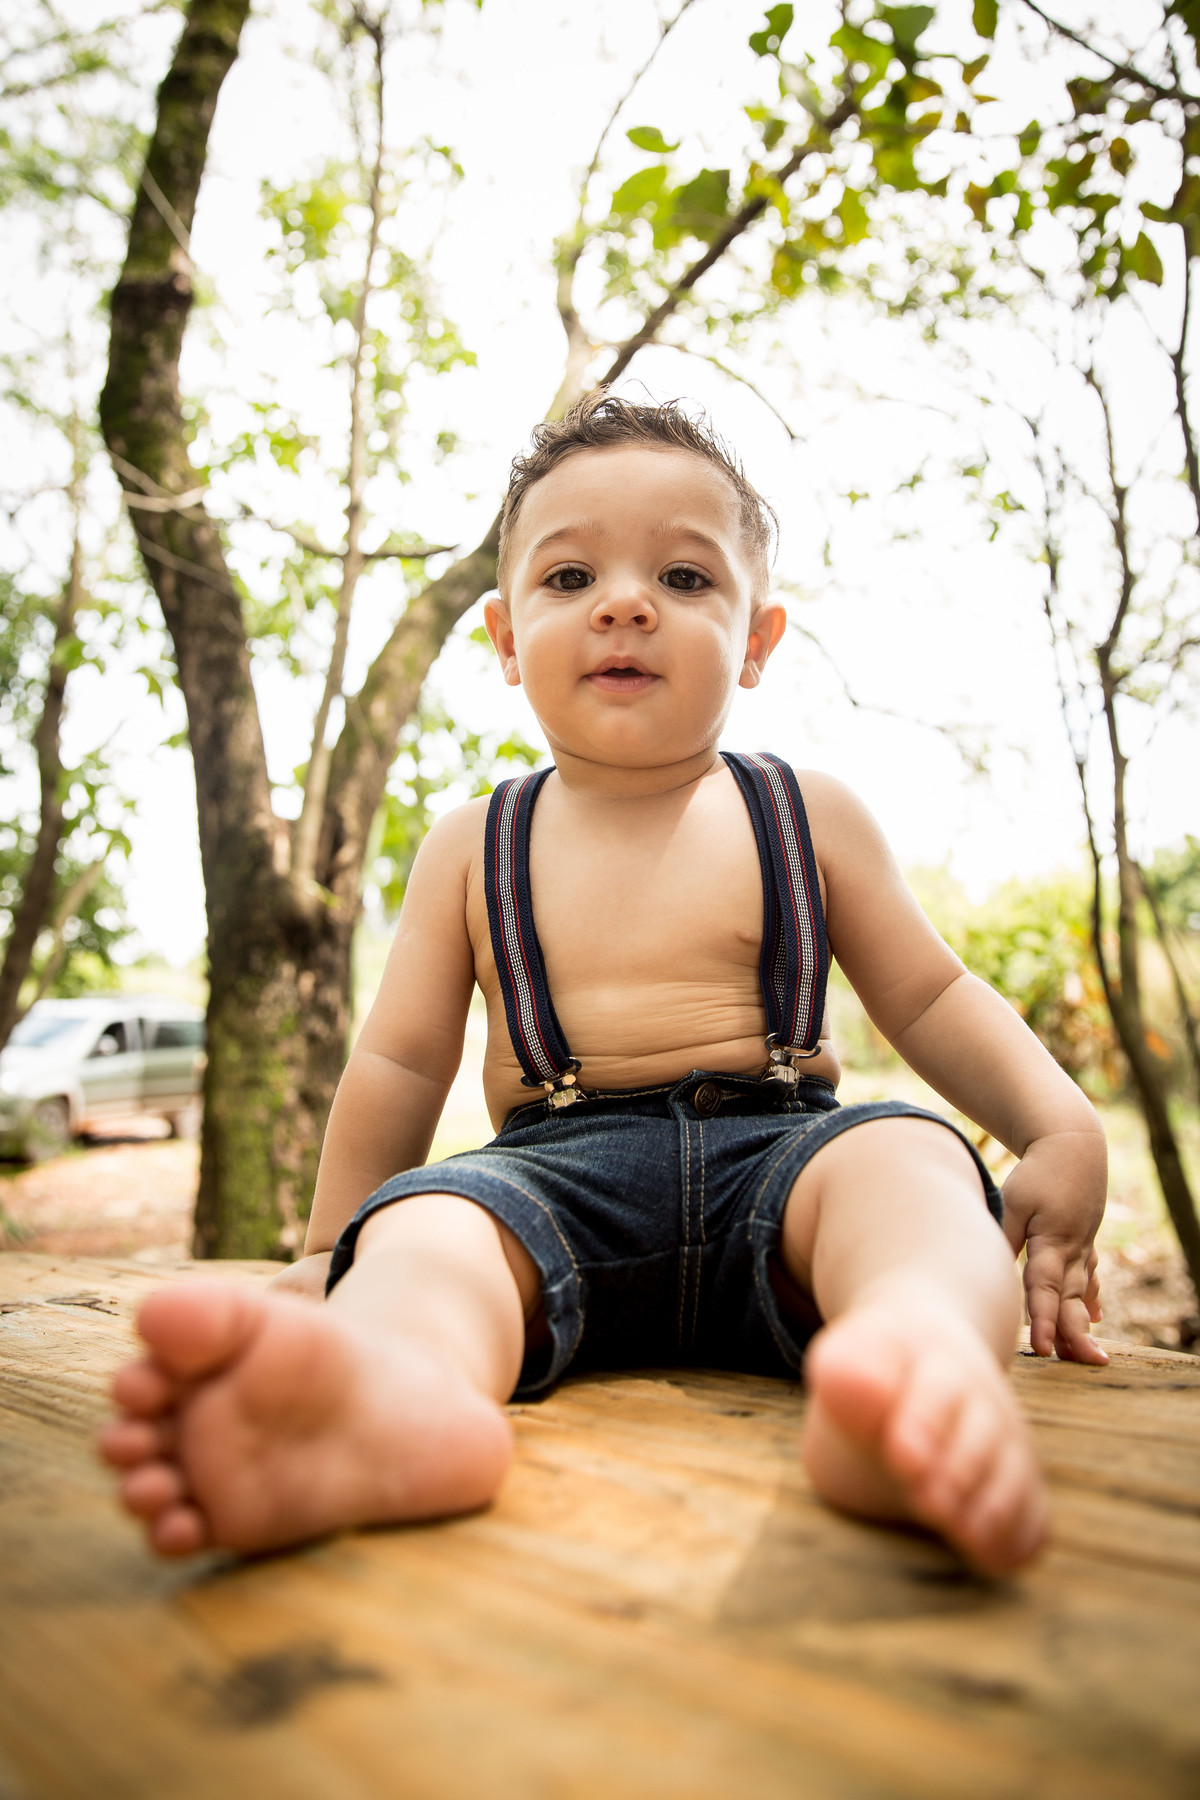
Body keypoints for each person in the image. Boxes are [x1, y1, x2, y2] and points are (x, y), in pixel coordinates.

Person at [99, 394, 1109, 1574]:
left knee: (915, 1169)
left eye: (685, 579)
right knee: (429, 1235)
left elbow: (931, 997)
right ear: (508, 641)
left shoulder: (808, 814)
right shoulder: (472, 841)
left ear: (758, 639)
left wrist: (1057, 1122)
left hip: (782, 1159)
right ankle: (384, 1403)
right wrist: (337, 1247)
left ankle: (912, 1369)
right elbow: (400, 1063)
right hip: (549, 1179)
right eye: (570, 577)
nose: (626, 603)